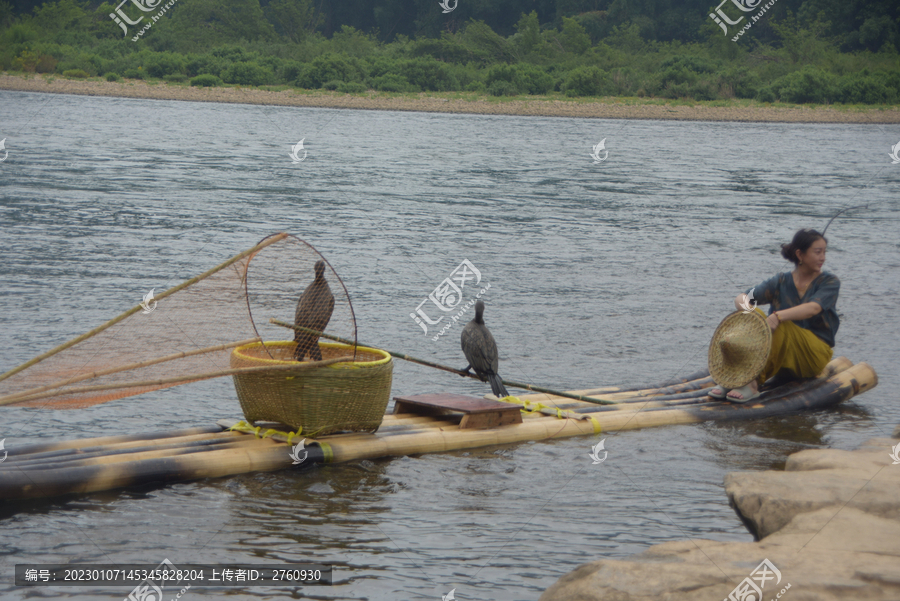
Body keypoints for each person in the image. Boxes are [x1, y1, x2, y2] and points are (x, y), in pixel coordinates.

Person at [711, 228, 840, 402]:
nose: (823, 258)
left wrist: (778, 316)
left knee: (783, 323)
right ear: (800, 255)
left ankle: (752, 382)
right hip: (781, 356)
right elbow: (741, 298)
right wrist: (751, 316)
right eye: (818, 252)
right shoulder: (781, 281)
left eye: (824, 252)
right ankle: (733, 376)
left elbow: (813, 308)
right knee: (753, 313)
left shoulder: (829, 282)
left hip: (812, 356)